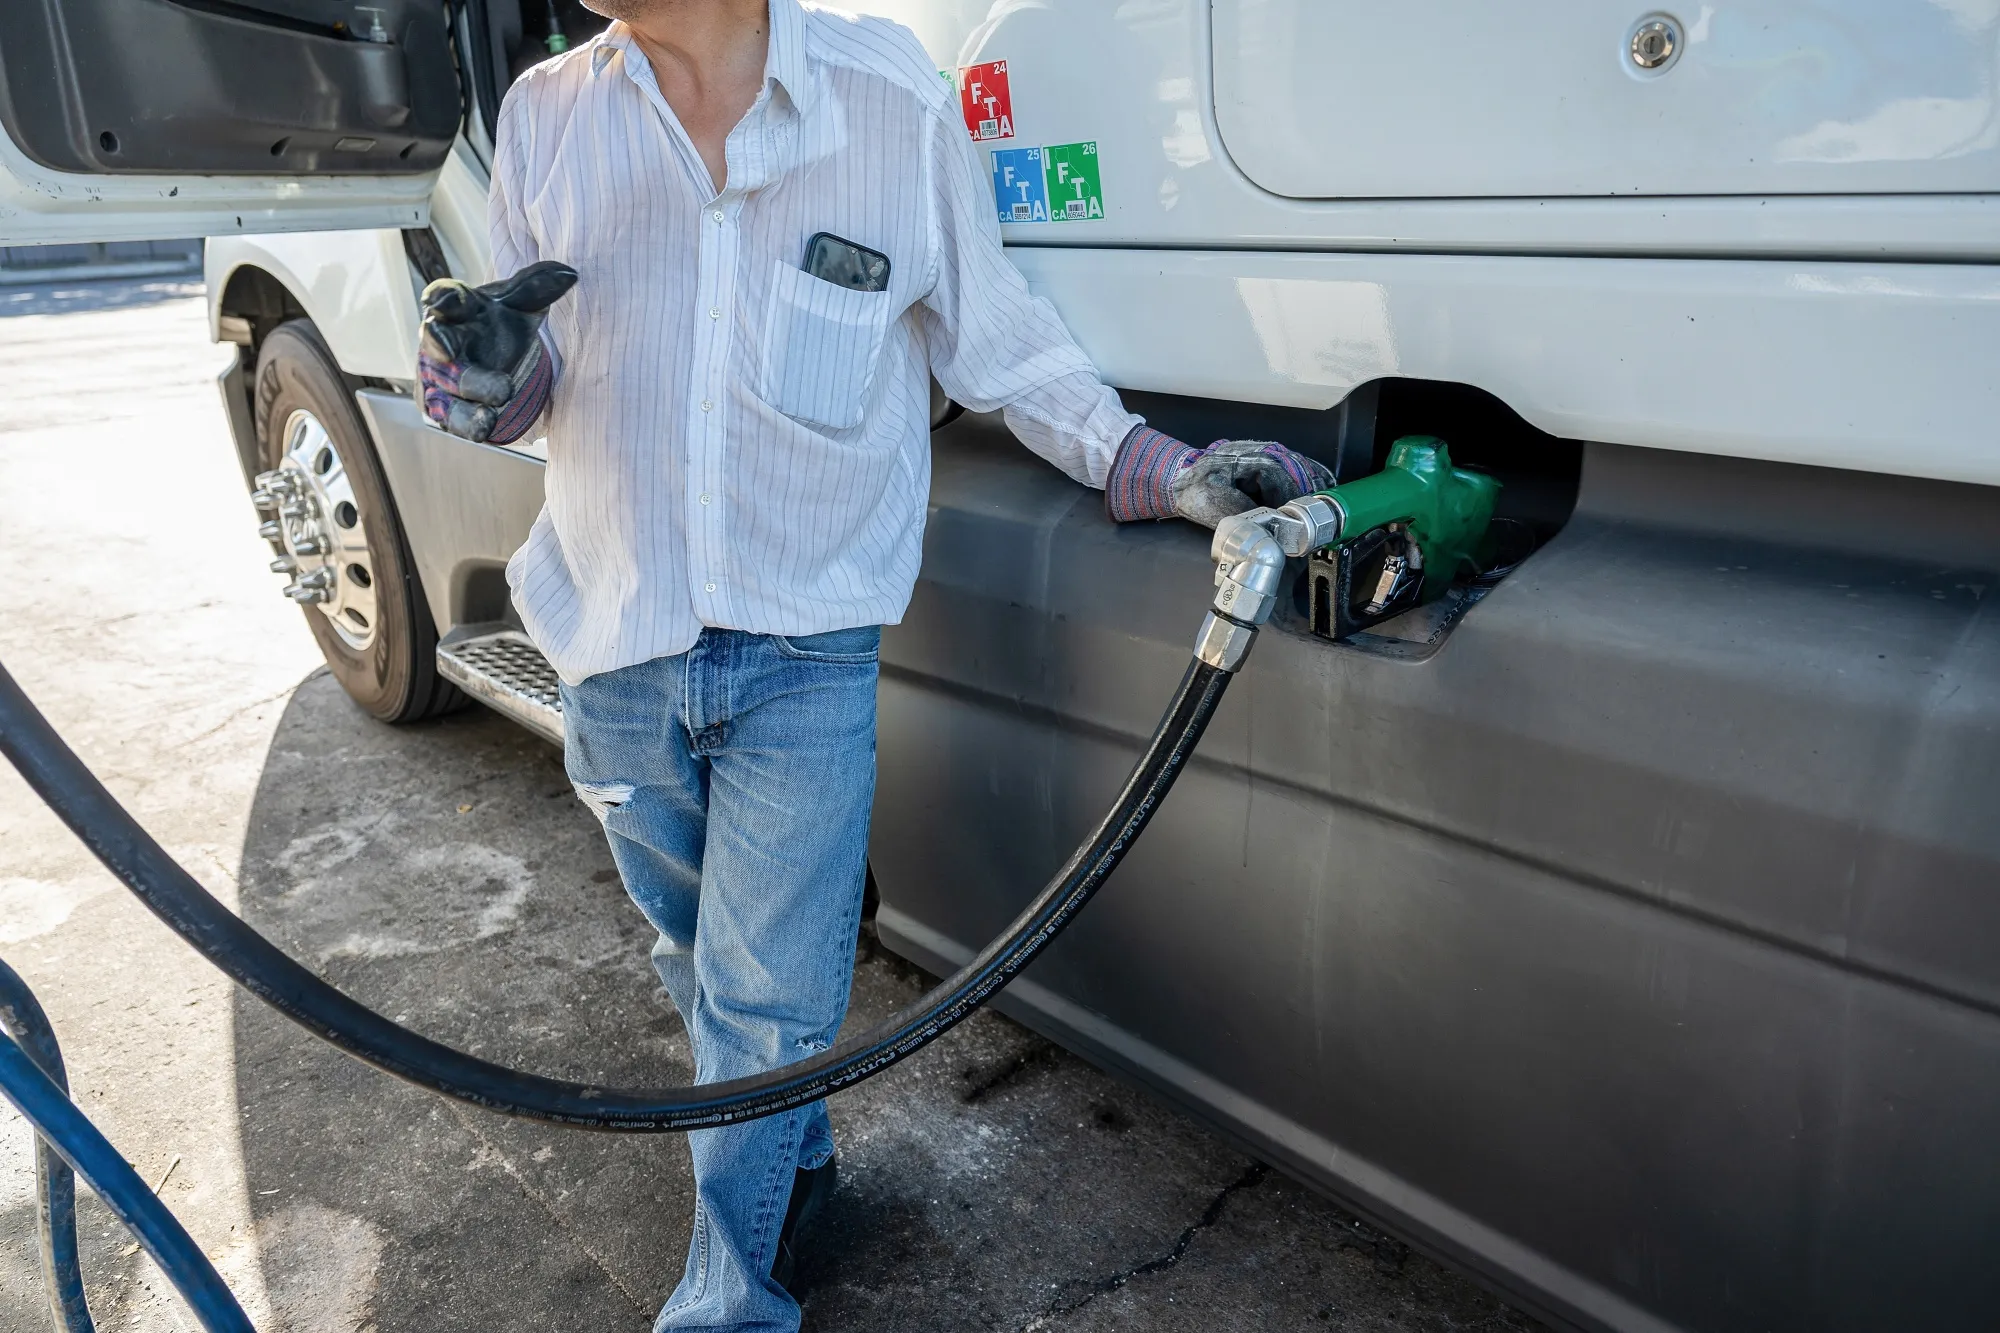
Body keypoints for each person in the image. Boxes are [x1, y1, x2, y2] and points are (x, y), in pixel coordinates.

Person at [416, 1, 1330, 1328]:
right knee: (699, 960)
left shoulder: (886, 96)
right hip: (611, 632)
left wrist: (1162, 467)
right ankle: (795, 1159)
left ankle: (729, 1301)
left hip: (804, 649)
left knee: (767, 1005)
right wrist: (474, 374)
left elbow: (997, 338)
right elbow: (523, 389)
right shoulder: (550, 111)